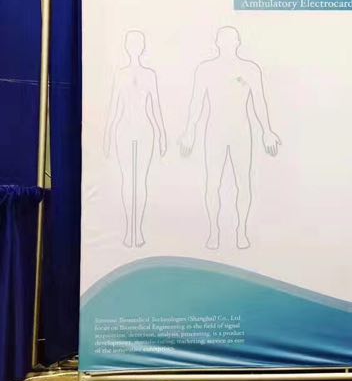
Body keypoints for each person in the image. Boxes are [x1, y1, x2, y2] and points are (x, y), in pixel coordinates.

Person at [179, 26, 280, 249]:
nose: (226, 44)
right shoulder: (205, 70)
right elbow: (196, 102)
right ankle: (214, 231)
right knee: (212, 182)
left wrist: (267, 131)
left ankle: (241, 231)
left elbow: (259, 102)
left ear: (237, 43)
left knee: (243, 182)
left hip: (240, 132)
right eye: (223, 40)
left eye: (230, 40)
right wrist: (189, 131)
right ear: (217, 43)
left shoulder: (250, 70)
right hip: (214, 131)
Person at [103, 30, 167, 247]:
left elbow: (155, 107)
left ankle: (137, 230)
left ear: (142, 47)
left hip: (145, 130)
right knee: (127, 180)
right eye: (131, 43)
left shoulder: (150, 75)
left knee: (140, 181)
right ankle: (128, 229)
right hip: (123, 130)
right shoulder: (120, 75)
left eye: (137, 43)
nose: (134, 47)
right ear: (126, 46)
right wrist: (107, 134)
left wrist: (161, 134)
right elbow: (113, 109)